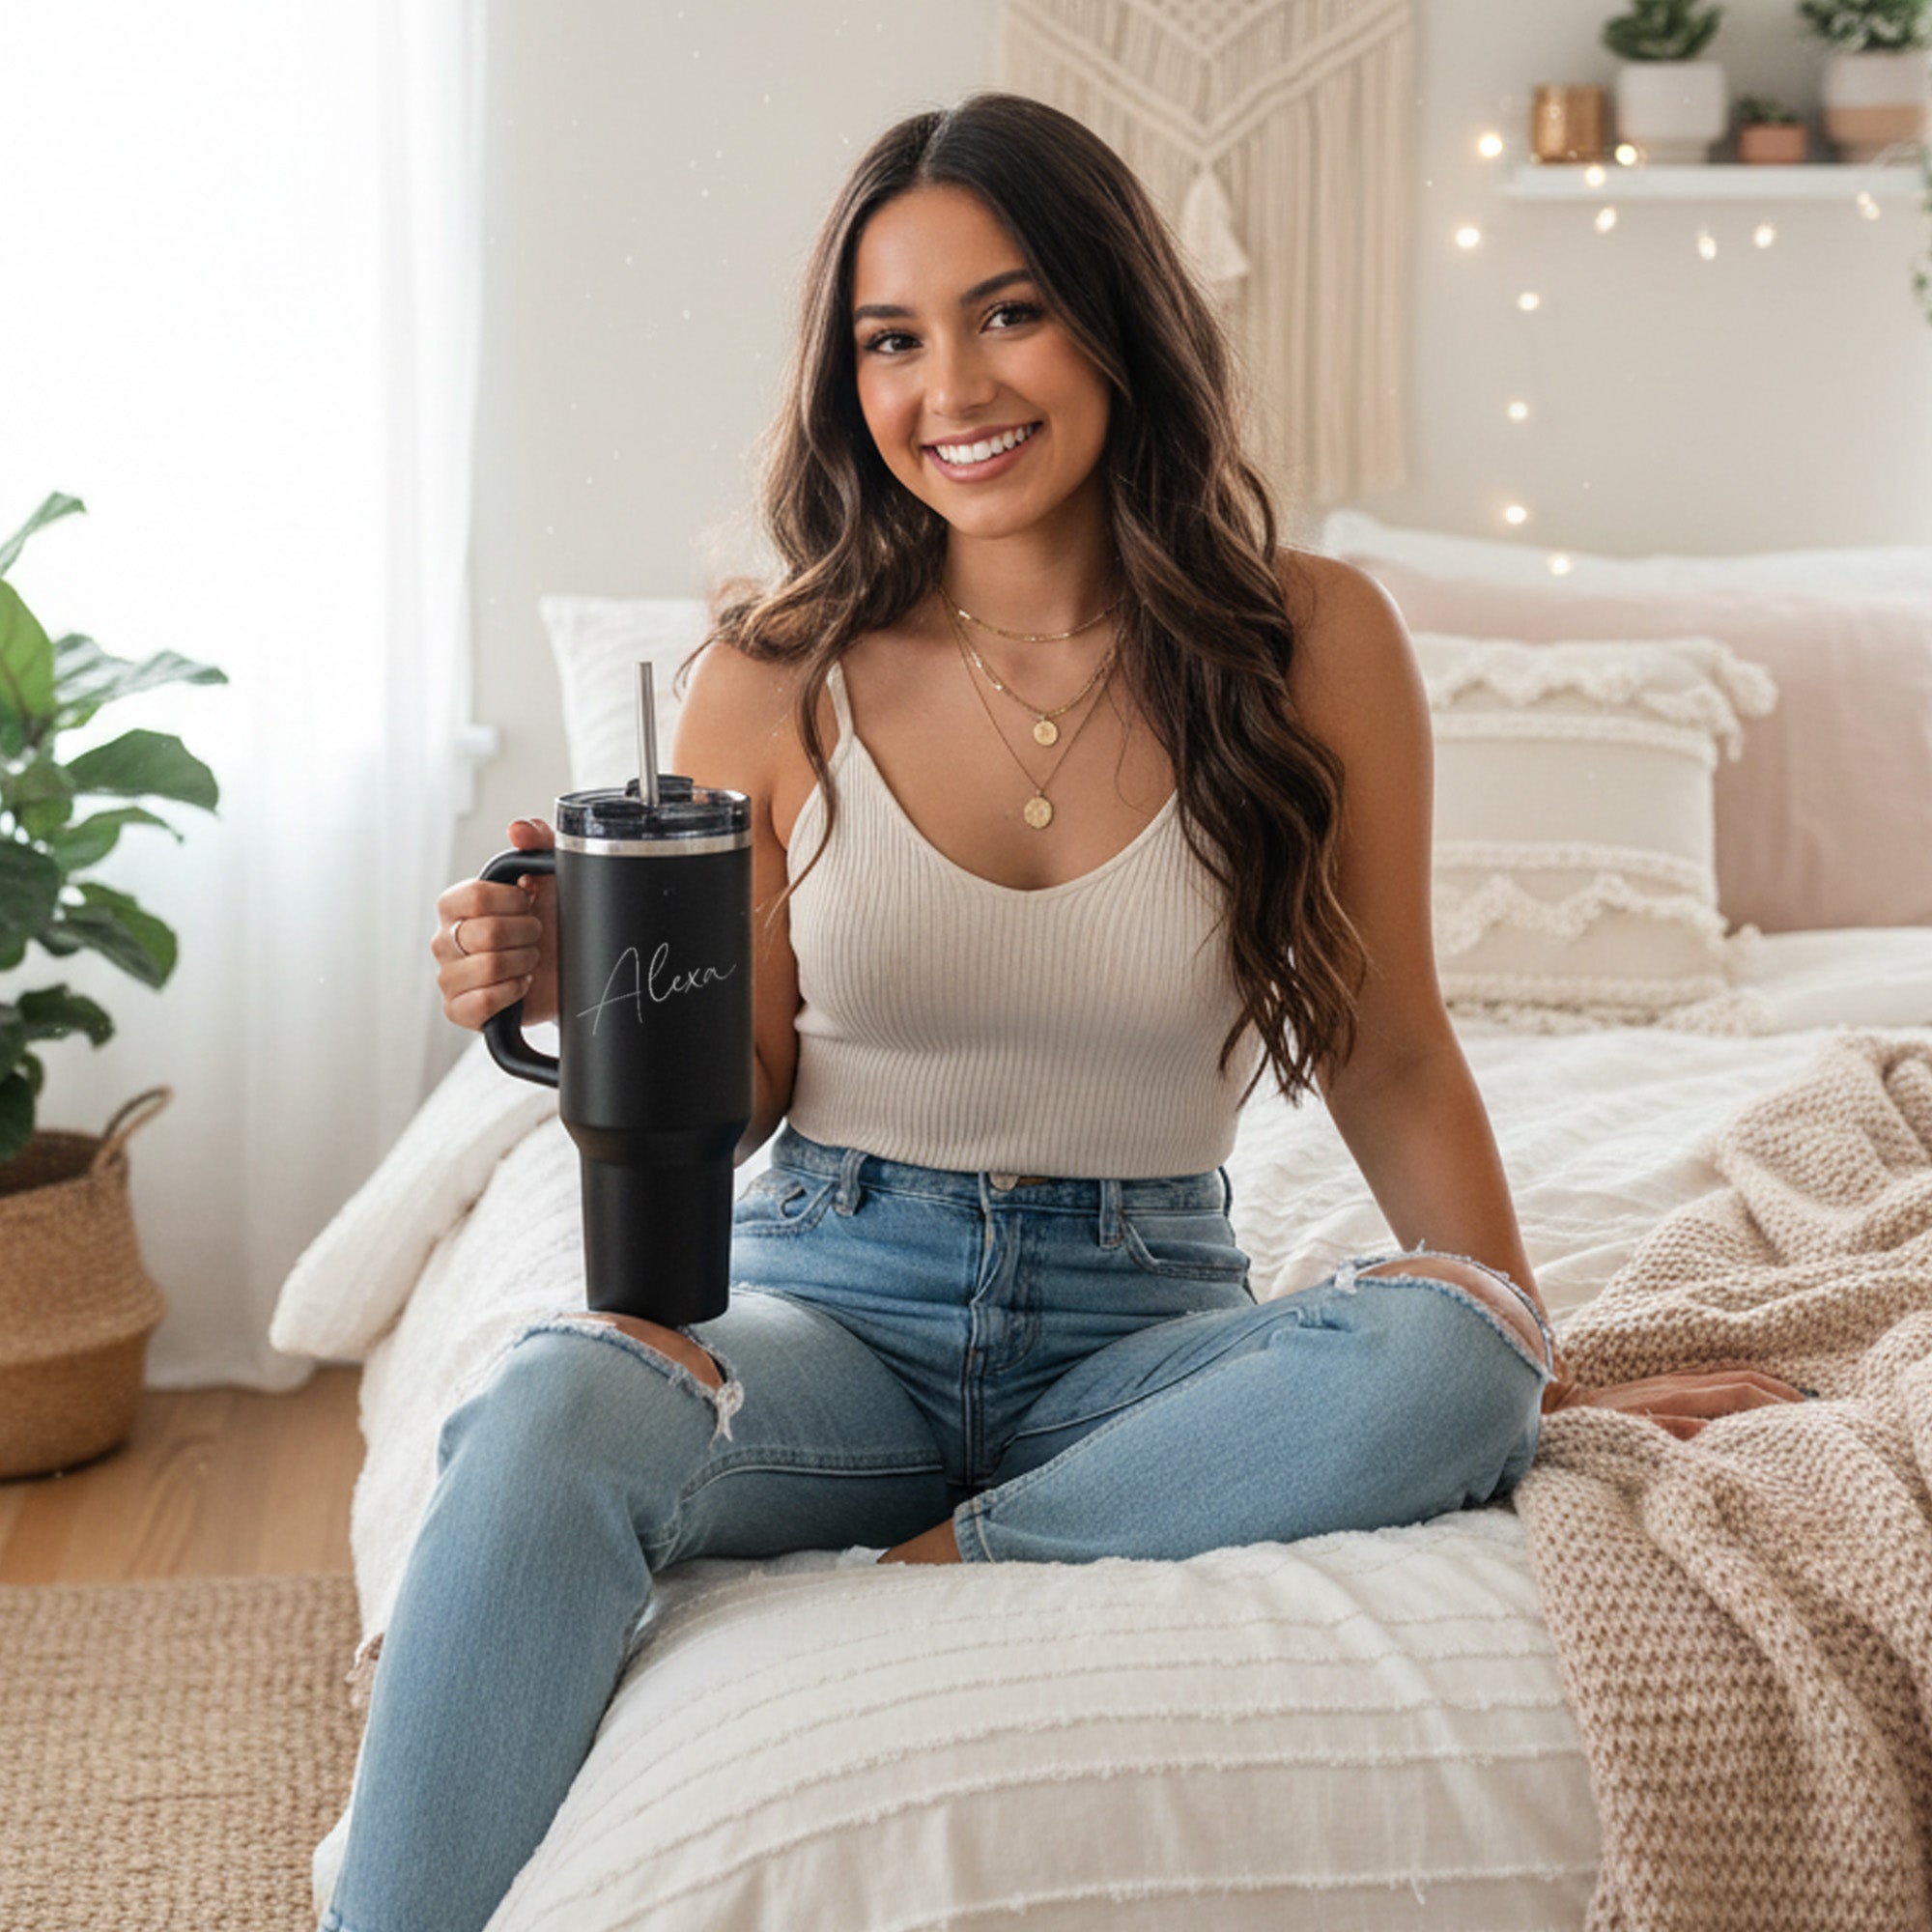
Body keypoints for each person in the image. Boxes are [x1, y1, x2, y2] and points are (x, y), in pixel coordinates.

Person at [324, 90, 1809, 1932]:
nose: (952, 384)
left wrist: (1532, 1361)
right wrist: (589, 985)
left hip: (1141, 1327)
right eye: (893, 339)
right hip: (833, 1315)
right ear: (848, 378)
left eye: (1007, 312)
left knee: (1452, 1352)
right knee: (553, 1403)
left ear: (1115, 321)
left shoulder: (1309, 640)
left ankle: (959, 1560)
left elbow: (1387, 1044)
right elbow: (751, 1079)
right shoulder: (771, 670)